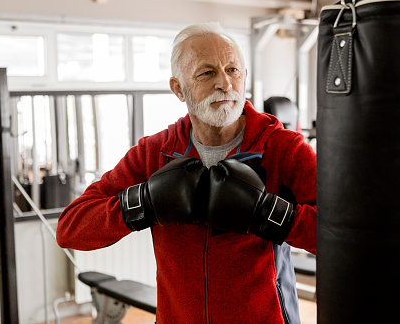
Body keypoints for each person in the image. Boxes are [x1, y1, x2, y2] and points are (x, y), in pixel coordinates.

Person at [56, 22, 316, 323]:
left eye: (232, 70)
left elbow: (344, 234)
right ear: (179, 88)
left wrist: (271, 216)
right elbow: (70, 228)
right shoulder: (155, 152)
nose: (225, 84)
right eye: (207, 73)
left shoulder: (282, 148)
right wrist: (142, 205)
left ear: (244, 76)